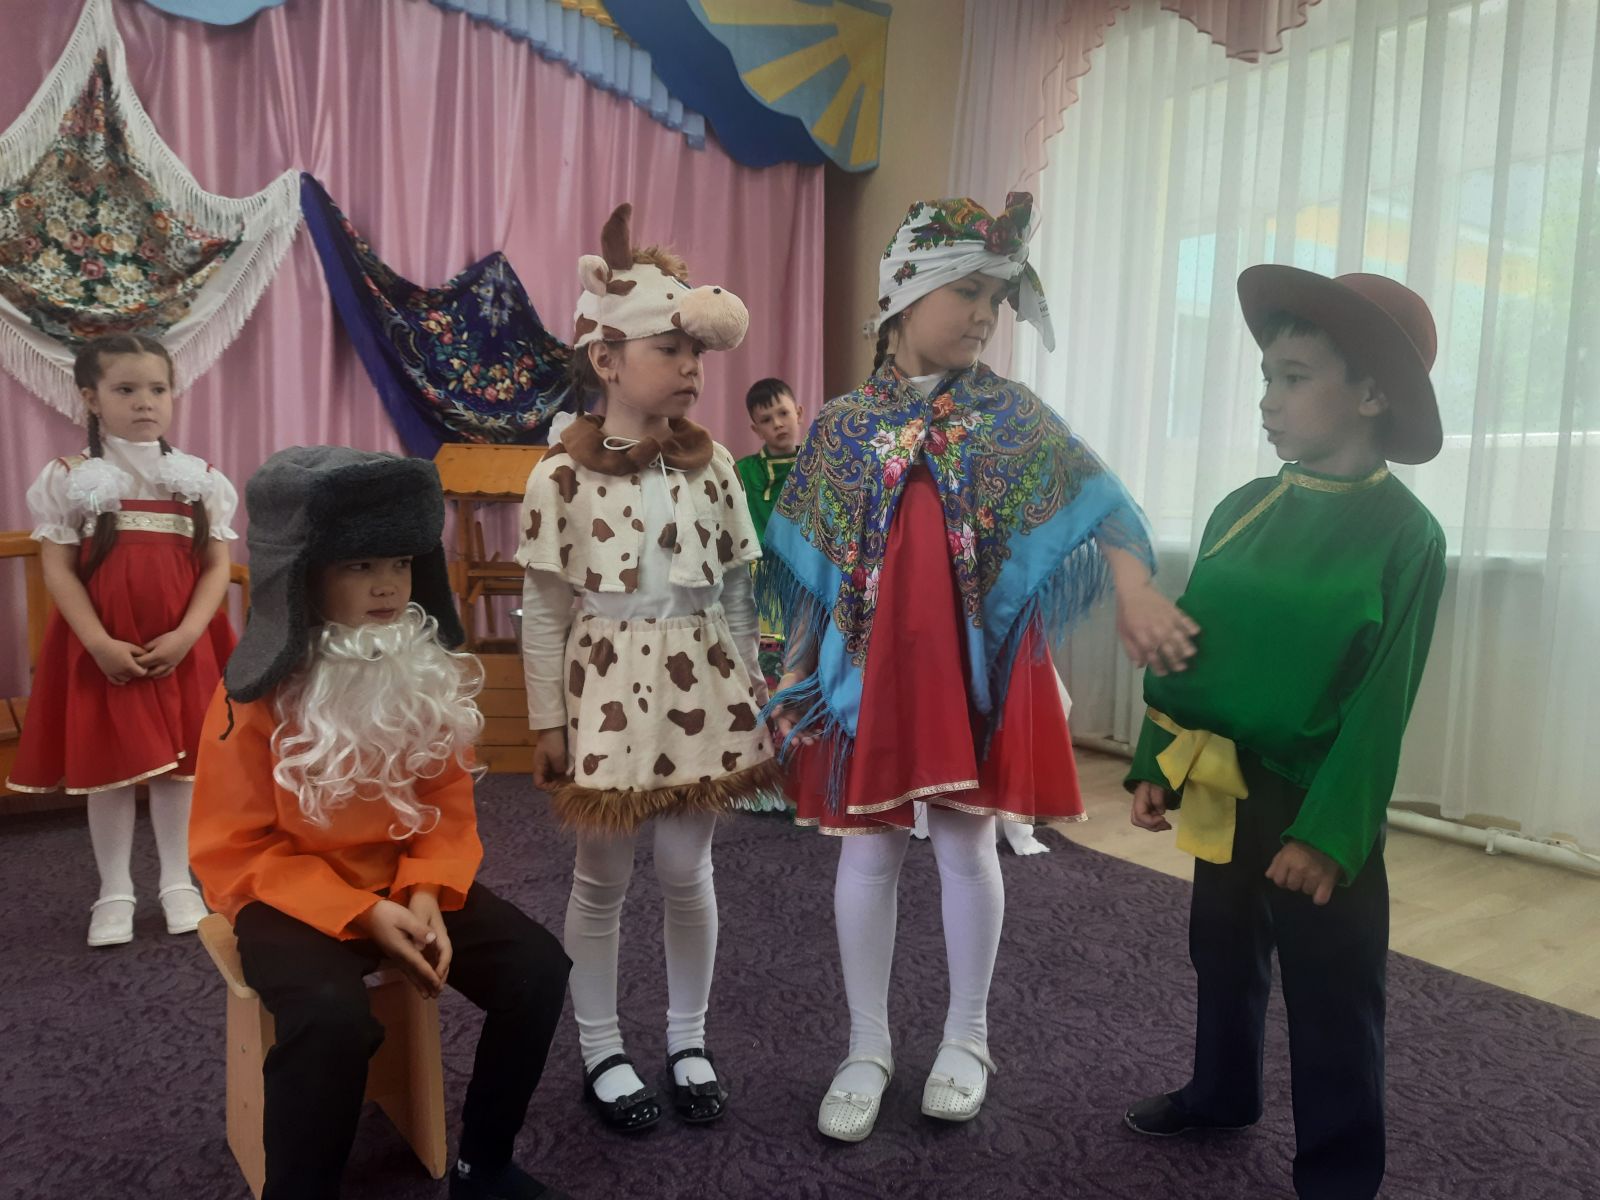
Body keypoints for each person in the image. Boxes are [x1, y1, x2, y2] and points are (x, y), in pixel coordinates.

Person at [762, 193, 1197, 1141]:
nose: (984, 316)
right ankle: (866, 1046)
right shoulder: (840, 426)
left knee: (967, 843)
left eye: (997, 300)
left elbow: (1102, 501)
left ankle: (969, 1037)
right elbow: (806, 568)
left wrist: (1133, 589)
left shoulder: (1011, 416)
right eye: (967, 292)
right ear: (904, 293)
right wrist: (790, 680)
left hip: (978, 668)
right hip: (873, 669)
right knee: (869, 848)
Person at [1122, 267, 1448, 1200]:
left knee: (1332, 984)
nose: (1269, 399)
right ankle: (1222, 1092)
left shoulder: (1407, 535)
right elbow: (1193, 646)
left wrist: (1328, 836)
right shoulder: (1242, 507)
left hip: (1318, 793)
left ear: (1372, 394)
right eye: (1267, 376)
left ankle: (1339, 1175)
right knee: (1221, 947)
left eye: (1295, 377)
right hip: (1223, 778)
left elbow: (1382, 705)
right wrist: (1155, 760)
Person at [189, 446, 572, 1200]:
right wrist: (361, 913)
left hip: (405, 880)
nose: (389, 585)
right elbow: (234, 850)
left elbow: (446, 806)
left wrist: (425, 890)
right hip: (289, 897)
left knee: (537, 970)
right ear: (303, 576)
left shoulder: (419, 671)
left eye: (399, 562)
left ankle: (484, 1166)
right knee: (333, 1019)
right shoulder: (254, 694)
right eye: (359, 566)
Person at [517, 203, 780, 1133]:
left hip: (702, 680)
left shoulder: (716, 469)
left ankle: (687, 1037)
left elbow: (738, 591)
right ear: (607, 357)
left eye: (696, 355)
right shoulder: (558, 476)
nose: (691, 369)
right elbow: (544, 610)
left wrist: (751, 686)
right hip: (606, 690)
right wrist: (545, 721)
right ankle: (601, 1047)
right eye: (671, 350)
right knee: (602, 876)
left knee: (684, 865)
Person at [6, 333, 236, 947]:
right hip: (103, 651)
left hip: (180, 647)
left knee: (179, 770)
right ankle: (114, 890)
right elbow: (58, 568)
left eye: (158, 389)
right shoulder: (69, 478)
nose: (145, 402)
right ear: (91, 398)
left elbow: (215, 565)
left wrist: (188, 634)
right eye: (126, 389)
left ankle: (177, 880)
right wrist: (98, 643)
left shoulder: (199, 479)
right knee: (106, 769)